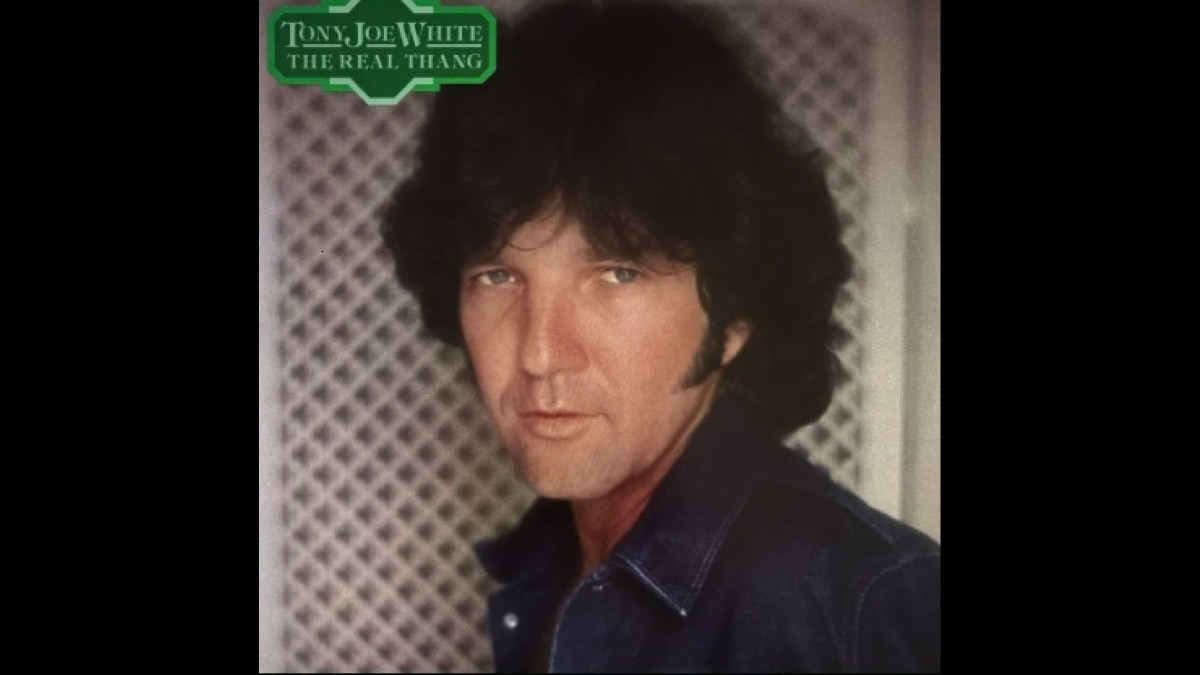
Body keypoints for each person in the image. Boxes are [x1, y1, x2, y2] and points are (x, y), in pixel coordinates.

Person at [380, 0, 939, 671]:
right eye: (498, 276)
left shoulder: (857, 603)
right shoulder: (545, 568)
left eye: (618, 274)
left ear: (734, 317)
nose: (539, 354)